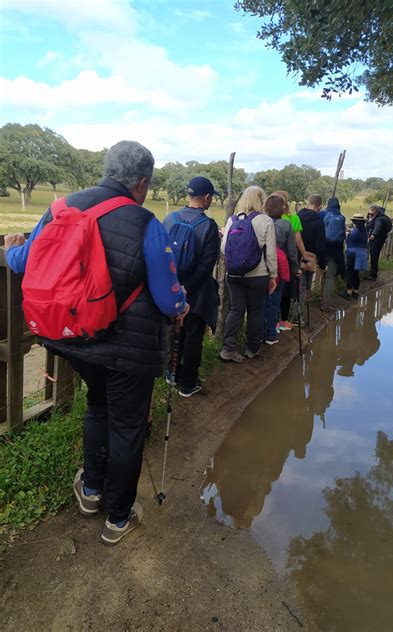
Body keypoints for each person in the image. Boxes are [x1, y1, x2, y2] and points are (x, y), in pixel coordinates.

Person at [4, 140, 189, 546]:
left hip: (74, 339)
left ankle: (90, 490)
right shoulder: (146, 223)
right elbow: (166, 296)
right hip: (127, 348)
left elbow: (25, 262)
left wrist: (10, 251)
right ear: (142, 183)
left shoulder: (59, 209)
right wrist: (182, 303)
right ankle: (118, 518)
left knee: (98, 407)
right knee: (127, 425)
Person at [162, 176, 220, 397]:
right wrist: (189, 288)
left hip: (171, 288)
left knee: (174, 331)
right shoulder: (208, 226)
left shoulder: (169, 219)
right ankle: (188, 383)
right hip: (196, 292)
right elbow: (207, 266)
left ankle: (171, 373)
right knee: (194, 334)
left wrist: (175, 287)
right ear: (206, 197)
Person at [220, 186, 277, 362]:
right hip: (258, 274)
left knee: (236, 310)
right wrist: (273, 275)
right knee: (256, 311)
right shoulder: (266, 221)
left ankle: (228, 348)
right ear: (260, 200)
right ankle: (252, 348)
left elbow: (224, 248)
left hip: (234, 275)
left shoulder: (232, 220)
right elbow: (270, 253)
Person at [262, 194, 298, 344]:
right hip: (278, 266)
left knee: (261, 301)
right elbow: (291, 251)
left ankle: (257, 332)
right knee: (274, 299)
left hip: (261, 265)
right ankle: (270, 333)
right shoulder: (285, 225)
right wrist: (294, 269)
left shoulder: (261, 222)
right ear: (282, 209)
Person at [272, 190, 305, 330]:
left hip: (270, 260)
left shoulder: (266, 217)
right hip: (285, 261)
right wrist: (303, 256)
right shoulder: (293, 218)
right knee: (285, 291)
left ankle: (273, 322)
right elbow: (297, 240)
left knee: (271, 292)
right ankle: (283, 321)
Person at [297, 193, 327, 305]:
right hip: (310, 257)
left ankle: (289, 315)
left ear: (308, 202)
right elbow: (320, 246)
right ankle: (298, 316)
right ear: (320, 206)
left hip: (295, 254)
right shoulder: (319, 222)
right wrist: (323, 264)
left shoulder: (297, 216)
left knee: (296, 285)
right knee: (304, 287)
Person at [340, 212, 368, 300]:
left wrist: (347, 235)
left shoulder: (356, 231)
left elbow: (349, 240)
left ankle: (348, 292)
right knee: (356, 273)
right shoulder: (363, 230)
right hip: (361, 253)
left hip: (353, 253)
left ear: (355, 221)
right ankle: (356, 291)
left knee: (349, 272)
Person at [366, 204, 392, 280]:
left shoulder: (379, 220)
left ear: (376, 212)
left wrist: (373, 235)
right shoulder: (383, 217)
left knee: (374, 255)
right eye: (369, 214)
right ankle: (373, 271)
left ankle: (373, 275)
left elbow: (378, 228)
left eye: (372, 214)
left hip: (377, 239)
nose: (370, 215)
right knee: (374, 254)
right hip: (380, 238)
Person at [323, 196, 346, 280]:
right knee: (337, 265)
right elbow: (343, 234)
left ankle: (322, 286)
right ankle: (342, 278)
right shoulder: (342, 217)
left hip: (325, 246)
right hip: (337, 248)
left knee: (324, 267)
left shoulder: (323, 214)